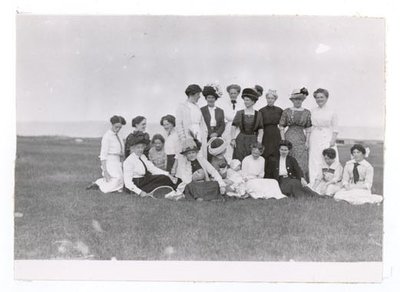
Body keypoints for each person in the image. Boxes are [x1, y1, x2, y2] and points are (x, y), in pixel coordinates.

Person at [123, 131, 178, 197]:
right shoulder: (128, 161)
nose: (141, 149)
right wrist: (140, 192)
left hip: (145, 179)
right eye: (138, 147)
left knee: (164, 178)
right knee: (159, 184)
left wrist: (168, 174)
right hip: (137, 184)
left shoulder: (142, 156)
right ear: (133, 148)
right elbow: (128, 183)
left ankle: (177, 190)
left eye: (142, 147)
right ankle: (170, 191)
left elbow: (152, 169)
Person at [279, 87, 312, 181]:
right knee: (290, 157)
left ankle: (302, 180)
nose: (298, 101)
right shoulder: (287, 111)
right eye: (296, 99)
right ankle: (289, 180)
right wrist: (283, 140)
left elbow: (308, 128)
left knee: (302, 159)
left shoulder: (307, 112)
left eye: (300, 99)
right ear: (292, 100)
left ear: (302, 100)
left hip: (301, 137)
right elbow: (281, 126)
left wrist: (307, 142)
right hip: (289, 137)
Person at [87, 115, 126, 193]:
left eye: (120, 127)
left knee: (122, 181)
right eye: (116, 127)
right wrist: (105, 171)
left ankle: (99, 182)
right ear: (112, 125)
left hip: (118, 161)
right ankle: (100, 185)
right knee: (117, 180)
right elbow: (103, 155)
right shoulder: (107, 136)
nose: (118, 129)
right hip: (110, 161)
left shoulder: (119, 136)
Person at [309, 88, 340, 184]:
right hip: (315, 136)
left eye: (322, 97)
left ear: (326, 98)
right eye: (317, 97)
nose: (319, 99)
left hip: (327, 136)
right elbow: (310, 126)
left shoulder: (332, 111)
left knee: (327, 159)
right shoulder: (313, 111)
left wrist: (332, 141)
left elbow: (335, 128)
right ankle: (314, 183)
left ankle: (329, 183)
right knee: (315, 159)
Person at [230, 87, 264, 162]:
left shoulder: (258, 114)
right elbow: (233, 126)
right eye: (244, 100)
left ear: (253, 101)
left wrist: (259, 142)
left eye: (247, 100)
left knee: (251, 159)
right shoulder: (240, 113)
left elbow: (261, 129)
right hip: (241, 139)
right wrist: (233, 139)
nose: (245, 102)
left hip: (253, 140)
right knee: (239, 158)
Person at [176, 84, 208, 158]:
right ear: (191, 94)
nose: (199, 96)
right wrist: (184, 140)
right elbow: (179, 125)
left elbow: (202, 123)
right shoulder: (182, 107)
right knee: (190, 155)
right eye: (198, 94)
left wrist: (204, 135)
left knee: (200, 156)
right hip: (189, 135)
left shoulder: (197, 107)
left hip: (199, 134)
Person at [259, 89, 283, 174]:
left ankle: (276, 175)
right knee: (265, 153)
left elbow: (282, 124)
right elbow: (259, 125)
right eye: (268, 98)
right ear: (266, 99)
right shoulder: (261, 110)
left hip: (276, 134)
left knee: (276, 153)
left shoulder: (279, 110)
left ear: (275, 99)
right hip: (265, 134)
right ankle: (265, 175)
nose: (270, 100)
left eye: (272, 98)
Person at [221, 84, 242, 162]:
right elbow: (223, 119)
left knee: (237, 149)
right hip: (227, 129)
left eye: (235, 93)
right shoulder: (224, 105)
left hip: (238, 129)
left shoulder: (242, 105)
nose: (233, 95)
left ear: (238, 94)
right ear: (229, 94)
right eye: (231, 93)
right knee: (228, 149)